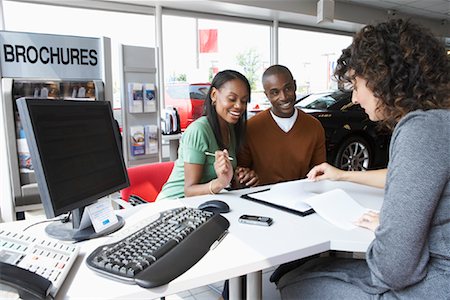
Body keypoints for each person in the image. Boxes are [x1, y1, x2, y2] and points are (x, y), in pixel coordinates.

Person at [276, 19, 450, 299]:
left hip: (435, 286)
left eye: (356, 85)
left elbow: (394, 270)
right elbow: (402, 178)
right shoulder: (441, 122)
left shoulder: (420, 129)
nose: (355, 98)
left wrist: (392, 232)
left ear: (383, 78)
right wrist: (343, 175)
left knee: (294, 280)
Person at [156, 70, 258, 200]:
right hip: (174, 204)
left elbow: (222, 178)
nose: (239, 106)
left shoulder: (231, 128)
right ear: (214, 95)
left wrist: (239, 178)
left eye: (244, 101)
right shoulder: (198, 131)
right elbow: (189, 191)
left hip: (204, 202)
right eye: (232, 99)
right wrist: (221, 182)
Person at [236, 64, 326, 186]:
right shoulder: (251, 128)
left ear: (295, 85)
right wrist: (244, 177)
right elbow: (241, 172)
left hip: (302, 196)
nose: (283, 97)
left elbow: (320, 173)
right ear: (267, 95)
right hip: (261, 198)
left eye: (288, 88)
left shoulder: (314, 126)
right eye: (275, 92)